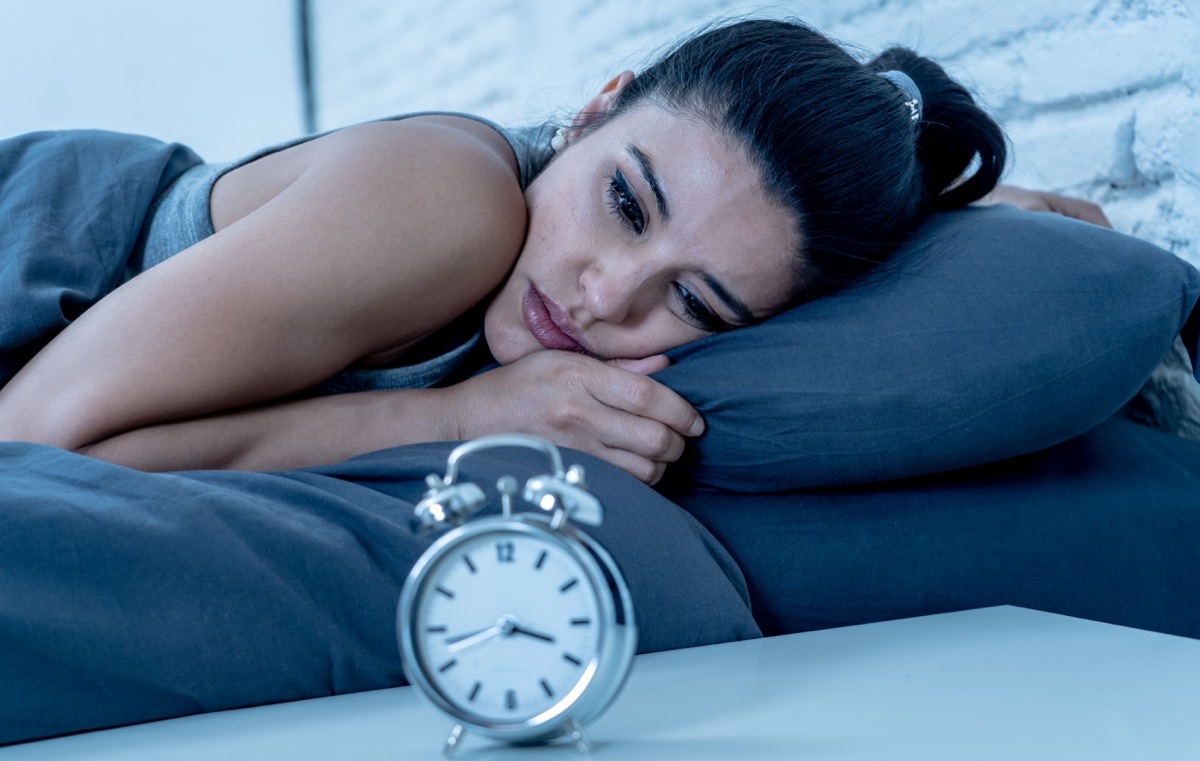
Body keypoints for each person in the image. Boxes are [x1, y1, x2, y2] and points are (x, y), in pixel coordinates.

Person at [0, 17, 1069, 485]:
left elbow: (1074, 233)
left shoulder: (590, 266)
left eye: (693, 302)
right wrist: (452, 416)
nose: (604, 294)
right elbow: (33, 447)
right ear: (596, 108)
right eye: (623, 199)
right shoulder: (446, 204)